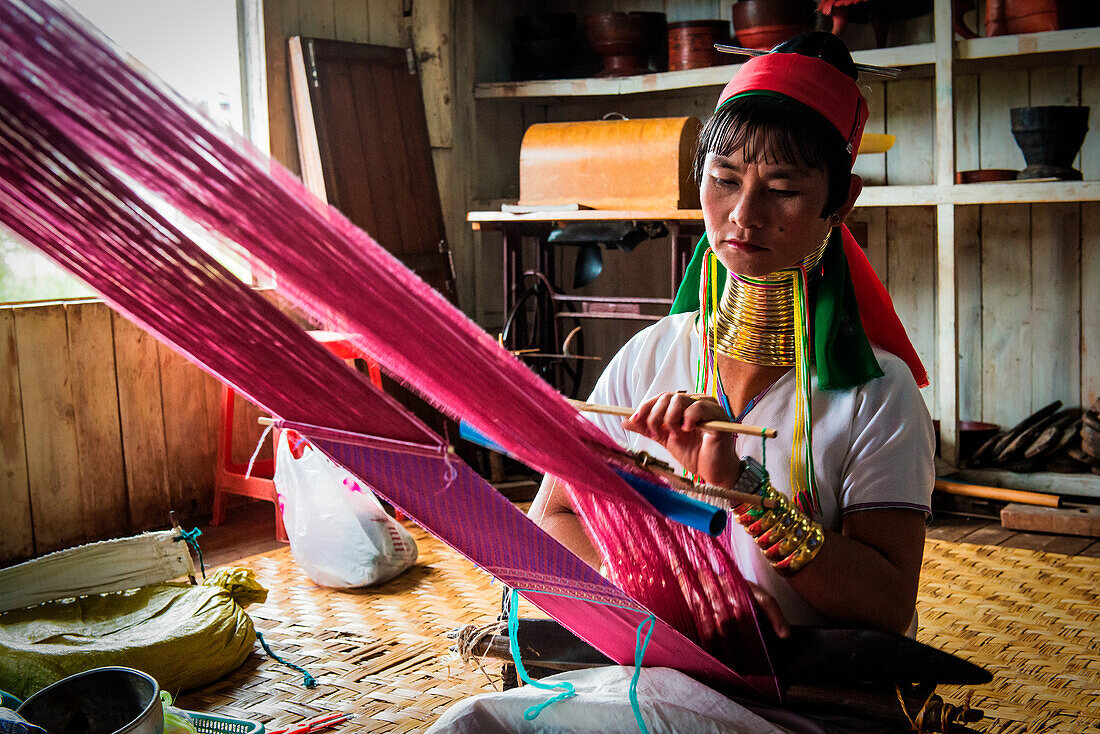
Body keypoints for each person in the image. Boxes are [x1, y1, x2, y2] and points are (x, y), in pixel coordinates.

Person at [529, 31, 934, 639]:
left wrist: (743, 491)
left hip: (800, 700)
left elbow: (888, 602)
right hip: (658, 662)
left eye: (784, 189)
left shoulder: (878, 396)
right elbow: (554, 516)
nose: (745, 214)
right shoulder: (652, 356)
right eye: (724, 179)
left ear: (842, 200)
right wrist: (684, 595)